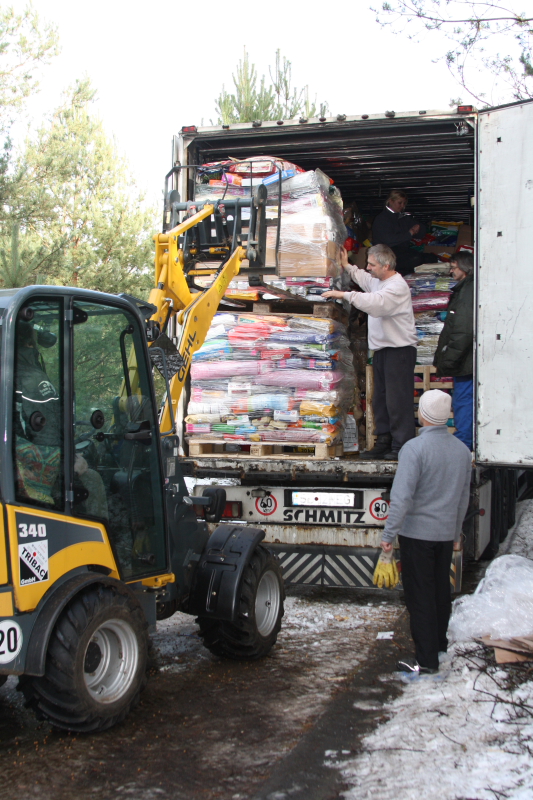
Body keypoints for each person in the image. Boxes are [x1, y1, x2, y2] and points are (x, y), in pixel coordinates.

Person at [380, 389, 472, 674]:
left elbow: (402, 497)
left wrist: (388, 535)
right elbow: (463, 498)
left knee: (419, 597)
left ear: (423, 415)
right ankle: (439, 647)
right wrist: (455, 532)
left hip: (417, 536)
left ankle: (425, 661)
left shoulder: (414, 449)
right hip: (444, 535)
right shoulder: (462, 451)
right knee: (440, 593)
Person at [323, 244, 417, 460]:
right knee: (380, 399)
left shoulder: (397, 286)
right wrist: (347, 266)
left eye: (372, 264)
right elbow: (365, 279)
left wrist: (344, 294)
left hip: (399, 350)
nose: (368, 267)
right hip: (383, 350)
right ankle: (384, 441)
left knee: (397, 399)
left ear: (386, 266)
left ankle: (401, 444)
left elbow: (375, 304)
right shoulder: (378, 280)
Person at [433, 252, 474, 450]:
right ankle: (466, 439)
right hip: (466, 357)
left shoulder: (467, 291)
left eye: (454, 267)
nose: (451, 271)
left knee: (463, 399)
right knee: (464, 398)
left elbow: (463, 330)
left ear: (464, 268)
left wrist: (450, 358)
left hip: (465, 359)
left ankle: (464, 442)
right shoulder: (465, 289)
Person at [372, 190, 434, 276]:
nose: (402, 206)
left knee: (431, 258)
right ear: (390, 201)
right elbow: (389, 240)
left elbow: (421, 234)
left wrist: (418, 228)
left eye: (404, 203)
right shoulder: (381, 219)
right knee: (415, 259)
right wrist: (409, 234)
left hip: (402, 251)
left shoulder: (403, 218)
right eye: (400, 203)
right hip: (386, 253)